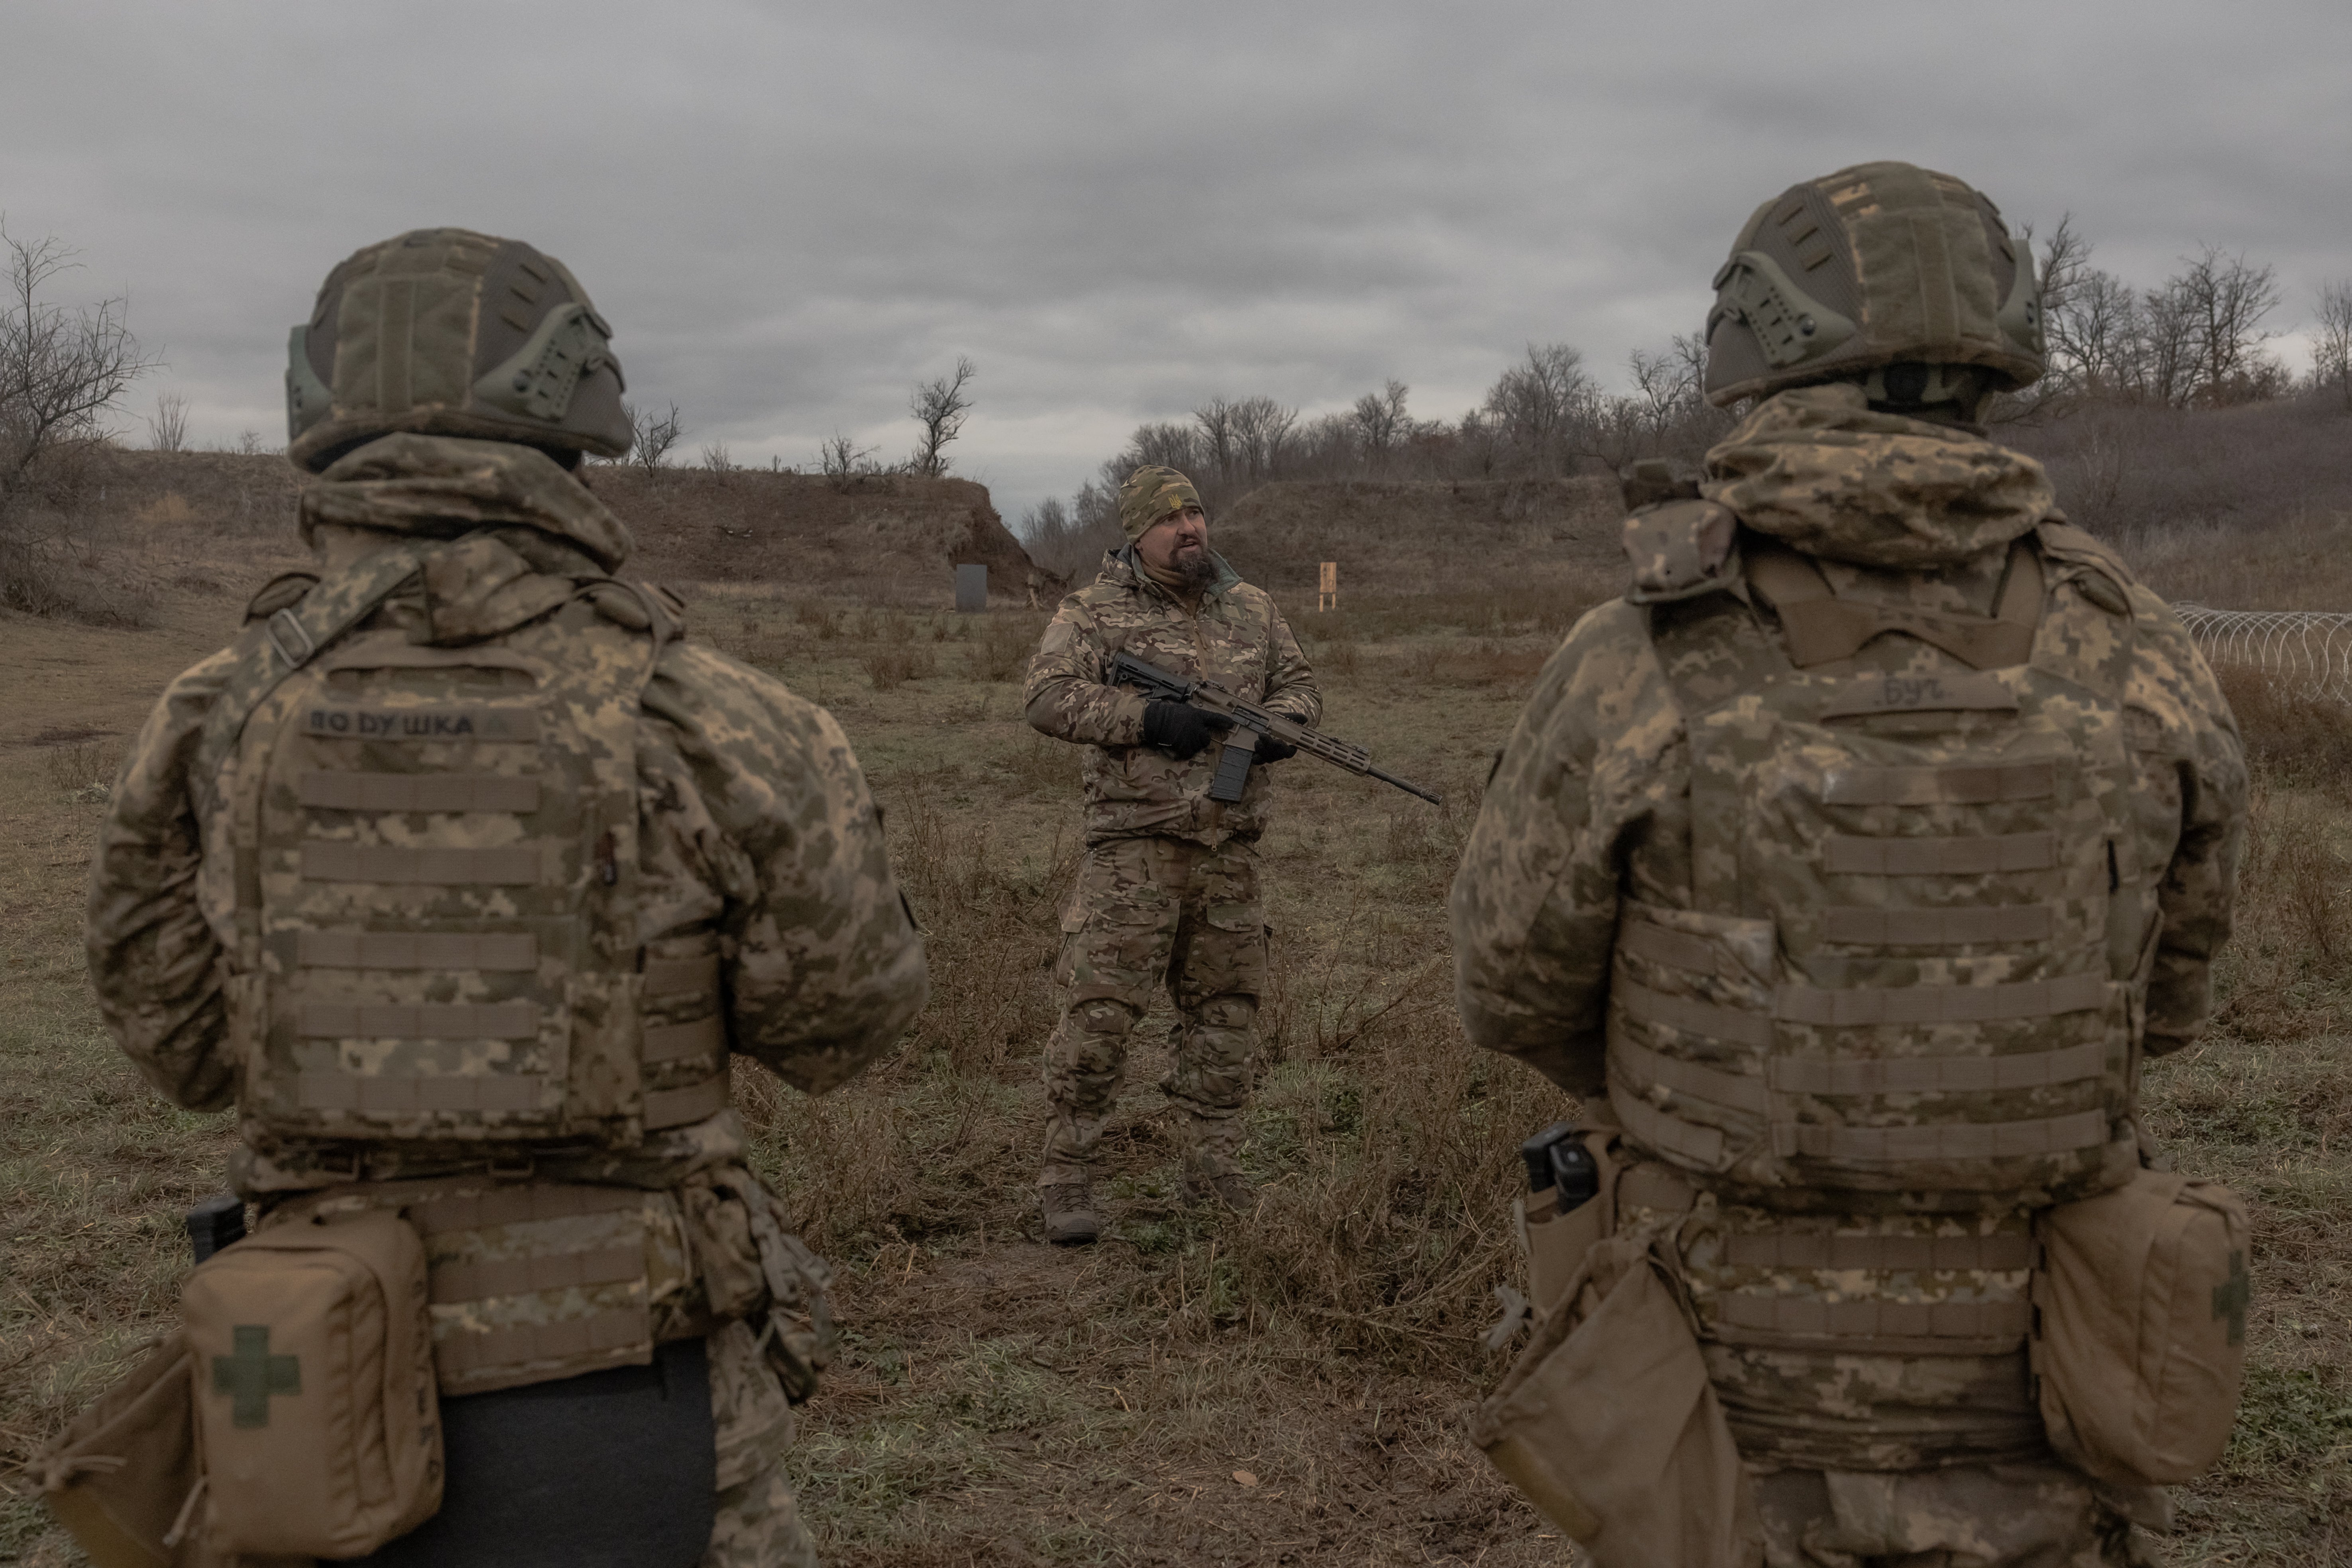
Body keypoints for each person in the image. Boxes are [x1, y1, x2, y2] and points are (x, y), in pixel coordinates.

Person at [84, 227, 928, 1567]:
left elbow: (181, 1047)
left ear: (324, 421)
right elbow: (846, 1026)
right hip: (647, 1401)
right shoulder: (718, 717)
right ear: (573, 420)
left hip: (308, 1387)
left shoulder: (213, 717)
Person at [1450, 162, 2246, 1566]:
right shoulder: (2143, 644)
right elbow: (2169, 995)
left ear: (1756, 353)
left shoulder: (1638, 655)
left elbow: (1513, 988)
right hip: (2040, 1373)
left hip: (1715, 1386)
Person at [1022, 464, 1319, 1243]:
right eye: (1169, 518)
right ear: (1136, 531)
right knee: (1099, 1016)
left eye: (1195, 512)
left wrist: (1274, 728)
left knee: (1225, 1019)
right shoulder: (1093, 610)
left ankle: (1210, 1167)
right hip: (1134, 852)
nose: (1189, 527)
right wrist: (1146, 718)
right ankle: (1065, 1172)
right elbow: (1046, 696)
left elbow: (1300, 686)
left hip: (1229, 852)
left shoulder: (1251, 607)